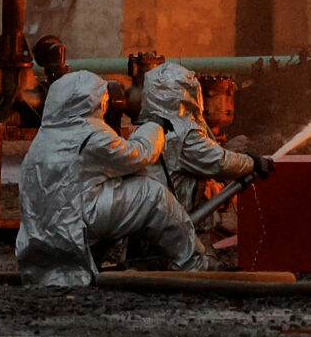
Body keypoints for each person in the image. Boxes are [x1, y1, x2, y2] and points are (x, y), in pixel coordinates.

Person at [13, 68, 201, 287]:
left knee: (117, 192)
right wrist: (154, 125)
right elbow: (138, 154)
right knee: (151, 194)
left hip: (46, 229)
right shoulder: (90, 135)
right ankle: (193, 263)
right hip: (75, 221)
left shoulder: (44, 138)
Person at [139, 60, 262, 215]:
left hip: (156, 216)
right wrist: (253, 163)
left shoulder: (145, 129)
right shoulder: (182, 134)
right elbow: (219, 162)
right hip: (182, 221)